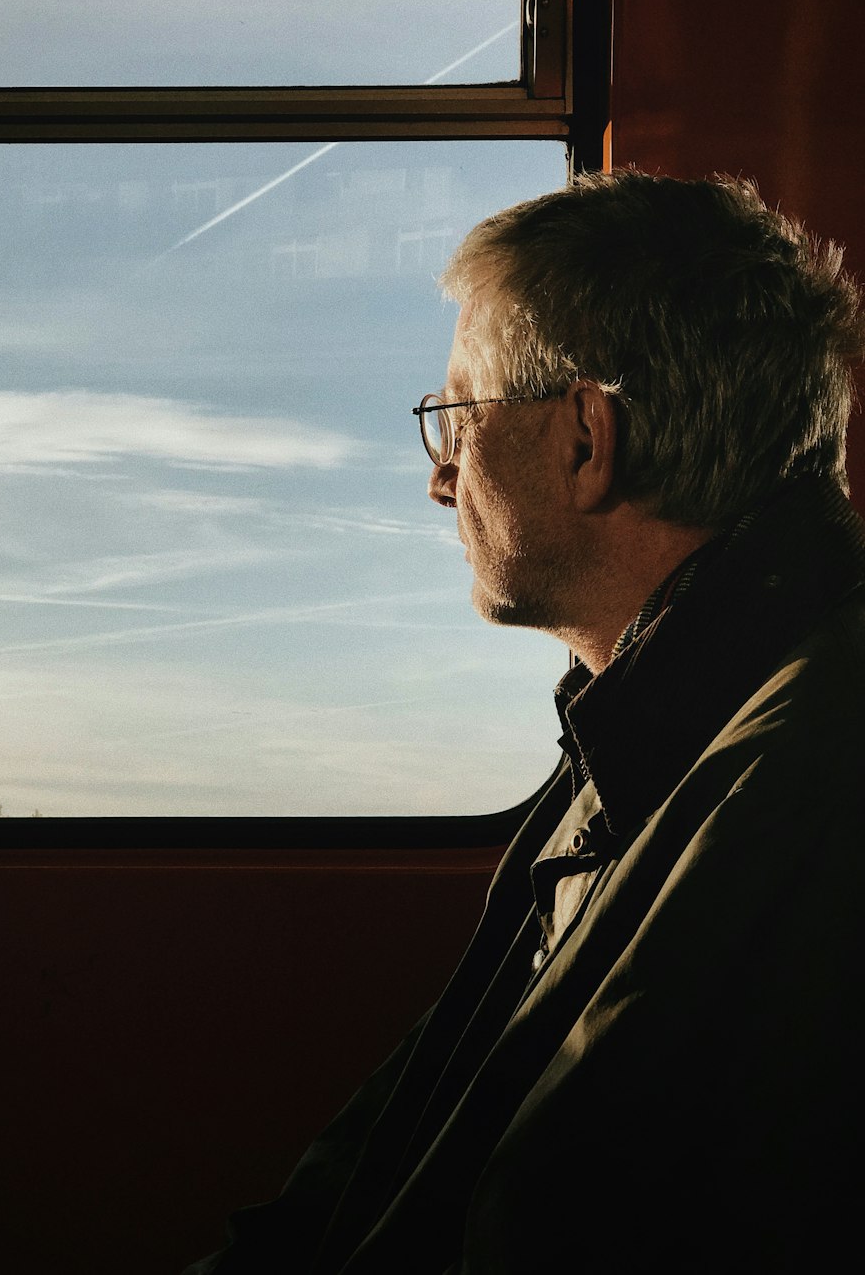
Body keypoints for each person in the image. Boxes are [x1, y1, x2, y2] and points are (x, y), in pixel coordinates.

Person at [184, 171, 865, 1273]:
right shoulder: (661, 715)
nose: (440, 480)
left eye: (455, 417)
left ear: (585, 440)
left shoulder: (801, 782)